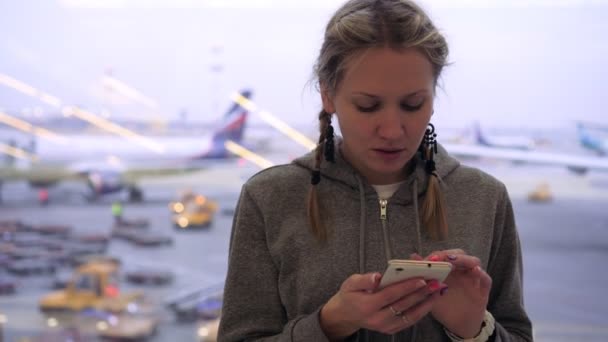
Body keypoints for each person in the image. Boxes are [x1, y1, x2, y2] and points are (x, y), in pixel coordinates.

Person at [218, 0, 533, 340]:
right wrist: (329, 324)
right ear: (328, 96)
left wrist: (474, 329)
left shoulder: (485, 198)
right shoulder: (269, 198)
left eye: (413, 104)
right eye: (368, 106)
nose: (393, 130)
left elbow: (516, 333)